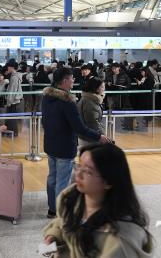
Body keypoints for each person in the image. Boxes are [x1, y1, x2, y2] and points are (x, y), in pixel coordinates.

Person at [42, 143, 153, 257]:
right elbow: (63, 221)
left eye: (88, 171)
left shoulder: (120, 239)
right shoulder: (71, 198)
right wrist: (53, 236)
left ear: (108, 182)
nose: (78, 174)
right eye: (79, 166)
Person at [42, 68, 109, 219]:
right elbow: (79, 128)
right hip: (65, 145)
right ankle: (62, 211)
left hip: (50, 143)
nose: (74, 81)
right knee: (62, 181)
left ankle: (52, 209)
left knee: (52, 177)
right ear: (65, 81)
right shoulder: (67, 102)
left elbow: (45, 121)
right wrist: (99, 137)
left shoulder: (47, 98)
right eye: (72, 78)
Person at [78, 78, 106, 148]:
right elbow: (92, 123)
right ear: (95, 88)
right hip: (90, 139)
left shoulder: (89, 99)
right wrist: (101, 136)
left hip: (87, 137)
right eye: (102, 87)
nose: (104, 89)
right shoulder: (89, 102)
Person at [4, 60, 24, 133]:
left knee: (11, 117)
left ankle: (13, 132)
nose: (7, 68)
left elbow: (12, 91)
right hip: (14, 100)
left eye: (8, 67)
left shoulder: (14, 78)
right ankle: (12, 132)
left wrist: (9, 101)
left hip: (13, 101)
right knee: (12, 117)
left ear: (12, 67)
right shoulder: (14, 76)